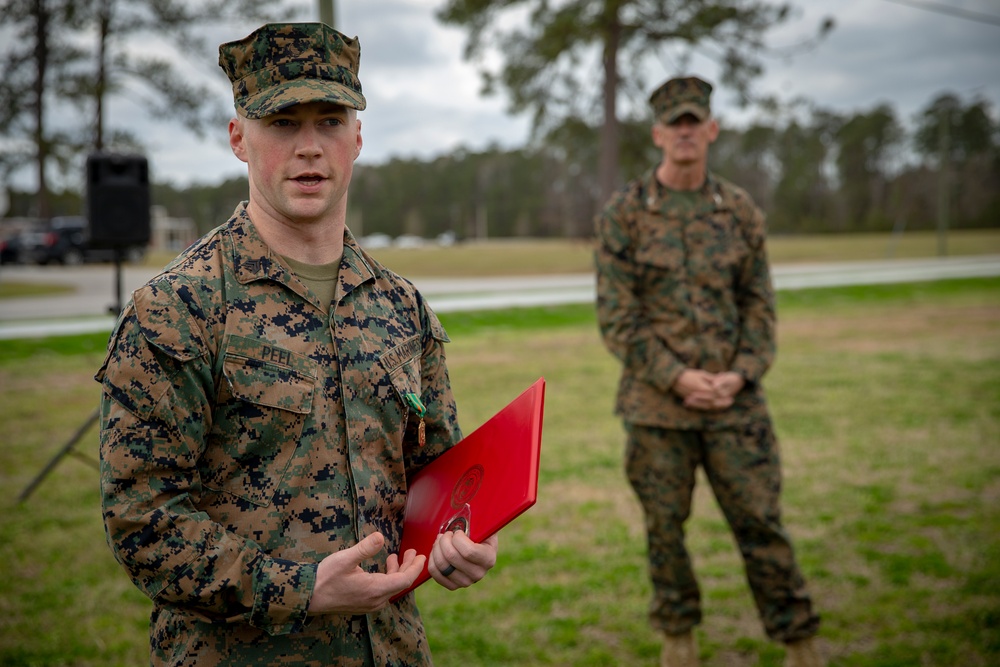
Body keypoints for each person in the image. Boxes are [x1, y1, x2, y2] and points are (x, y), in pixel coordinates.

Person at [96, 22, 498, 667]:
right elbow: (142, 518)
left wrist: (462, 534)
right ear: (239, 139)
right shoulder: (178, 308)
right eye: (283, 123)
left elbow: (437, 476)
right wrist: (301, 590)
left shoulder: (400, 306)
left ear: (358, 138)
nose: (310, 147)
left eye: (330, 120)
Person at [593, 76, 823, 667]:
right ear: (658, 134)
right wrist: (675, 377)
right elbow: (619, 317)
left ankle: (800, 642)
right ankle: (678, 641)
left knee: (762, 525)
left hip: (735, 405)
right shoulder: (625, 214)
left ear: (712, 130)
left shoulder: (740, 211)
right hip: (657, 408)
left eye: (695, 121)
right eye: (676, 123)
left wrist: (741, 374)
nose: (686, 131)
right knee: (665, 531)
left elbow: (759, 304)